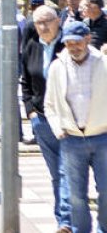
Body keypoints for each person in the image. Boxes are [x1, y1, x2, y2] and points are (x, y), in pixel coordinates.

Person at [45, 21, 107, 233]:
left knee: (106, 191)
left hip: (102, 137)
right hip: (71, 138)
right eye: (69, 43)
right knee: (75, 195)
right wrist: (57, 128)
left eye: (77, 42)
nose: (73, 47)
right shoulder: (57, 66)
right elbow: (50, 103)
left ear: (88, 39)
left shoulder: (103, 63)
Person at [21, 6, 73, 232]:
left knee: (66, 171)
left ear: (58, 22)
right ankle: (61, 217)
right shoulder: (32, 46)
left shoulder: (68, 45)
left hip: (67, 119)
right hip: (41, 119)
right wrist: (30, 111)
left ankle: (66, 221)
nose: (43, 27)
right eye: (38, 23)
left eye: (48, 21)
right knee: (55, 174)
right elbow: (25, 82)